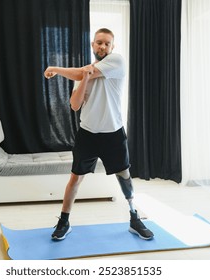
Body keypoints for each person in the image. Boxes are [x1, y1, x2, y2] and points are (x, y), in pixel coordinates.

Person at [44, 28, 153, 241]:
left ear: (112, 48)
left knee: (124, 176)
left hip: (113, 133)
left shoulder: (117, 62)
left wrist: (55, 69)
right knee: (75, 179)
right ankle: (64, 221)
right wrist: (84, 76)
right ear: (93, 45)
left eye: (107, 44)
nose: (102, 47)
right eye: (99, 43)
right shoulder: (84, 71)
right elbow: (75, 105)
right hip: (88, 134)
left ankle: (134, 217)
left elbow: (82, 73)